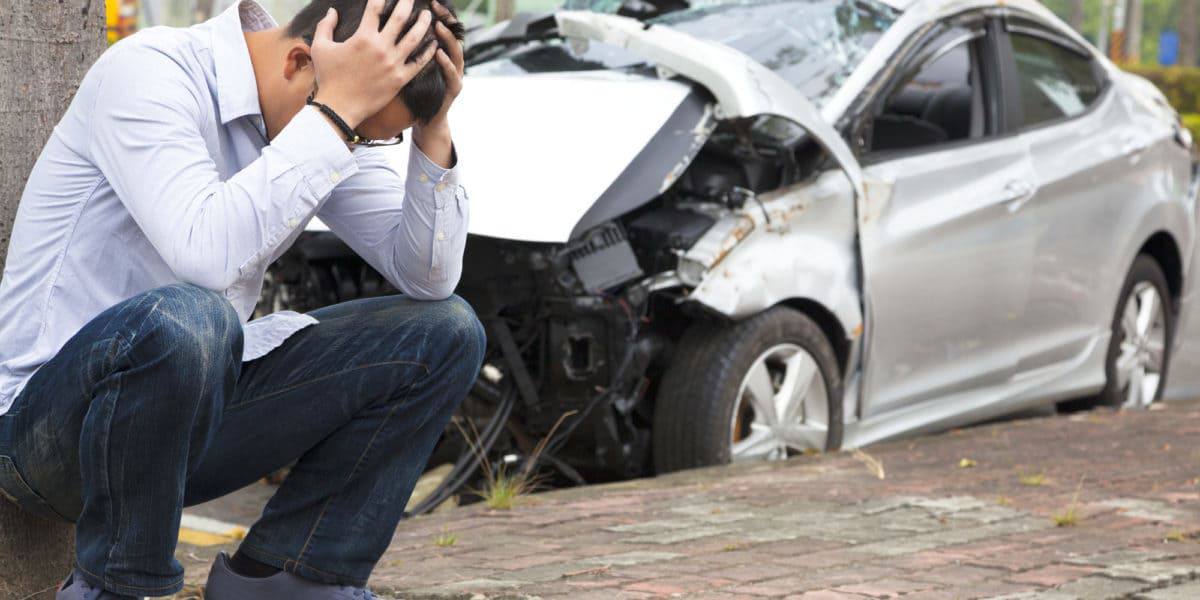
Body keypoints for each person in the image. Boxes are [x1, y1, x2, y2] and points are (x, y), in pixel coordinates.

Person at [0, 0, 482, 598]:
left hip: (184, 429)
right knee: (190, 319)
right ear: (302, 60)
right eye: (356, 130)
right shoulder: (152, 72)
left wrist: (432, 125)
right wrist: (337, 117)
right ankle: (118, 587)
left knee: (446, 331)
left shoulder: (324, 110)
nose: (351, 144)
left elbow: (429, 277)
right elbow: (205, 254)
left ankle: (289, 580)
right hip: (49, 435)